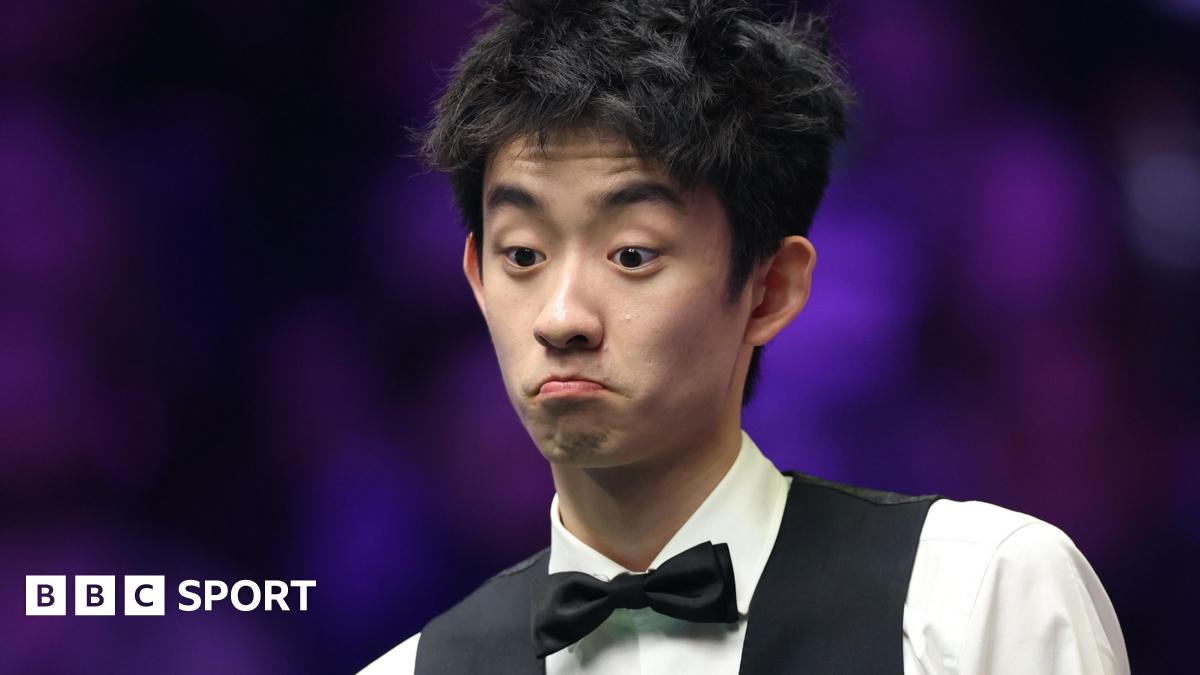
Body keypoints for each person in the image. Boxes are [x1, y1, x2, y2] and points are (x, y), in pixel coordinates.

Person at [360, 0, 1129, 672]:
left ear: (771, 289)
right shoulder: (414, 669)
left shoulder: (978, 598)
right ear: (477, 280)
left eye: (633, 254)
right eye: (524, 255)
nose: (562, 317)